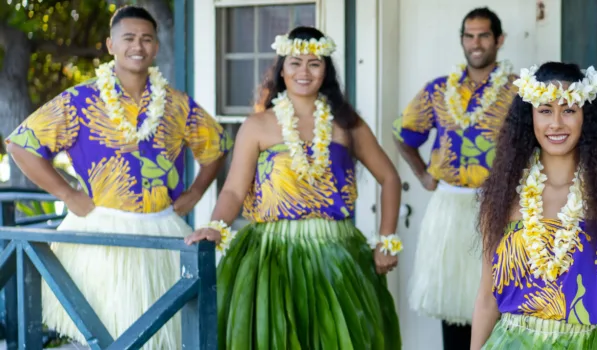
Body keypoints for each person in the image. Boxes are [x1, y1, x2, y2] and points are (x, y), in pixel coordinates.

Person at [4, 5, 230, 349]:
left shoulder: (177, 104)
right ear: (111, 44)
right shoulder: (80, 100)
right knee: (102, 332)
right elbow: (21, 145)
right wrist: (67, 194)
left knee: (162, 336)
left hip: (162, 230)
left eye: (146, 39)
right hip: (101, 230)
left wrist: (197, 192)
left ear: (155, 46)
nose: (137, 46)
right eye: (128, 38)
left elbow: (216, 149)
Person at [184, 26, 403, 349]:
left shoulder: (346, 124)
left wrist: (387, 239)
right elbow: (233, 190)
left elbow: (390, 178)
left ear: (325, 71)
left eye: (314, 64)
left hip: (337, 252)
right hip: (272, 255)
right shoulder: (258, 125)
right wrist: (216, 226)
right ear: (281, 71)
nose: (304, 71)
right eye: (295, 63)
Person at [470, 62, 597, 349]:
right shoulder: (502, 196)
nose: (556, 123)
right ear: (530, 117)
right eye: (545, 111)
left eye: (568, 110)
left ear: (586, 117)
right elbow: (486, 297)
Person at [394, 6, 518, 347]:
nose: (475, 43)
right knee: (454, 311)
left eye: (483, 35)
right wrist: (423, 176)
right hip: (450, 208)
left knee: (504, 305)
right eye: (469, 35)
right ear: (462, 40)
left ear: (499, 39)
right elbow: (404, 134)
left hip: (502, 208)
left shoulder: (519, 91)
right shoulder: (438, 91)